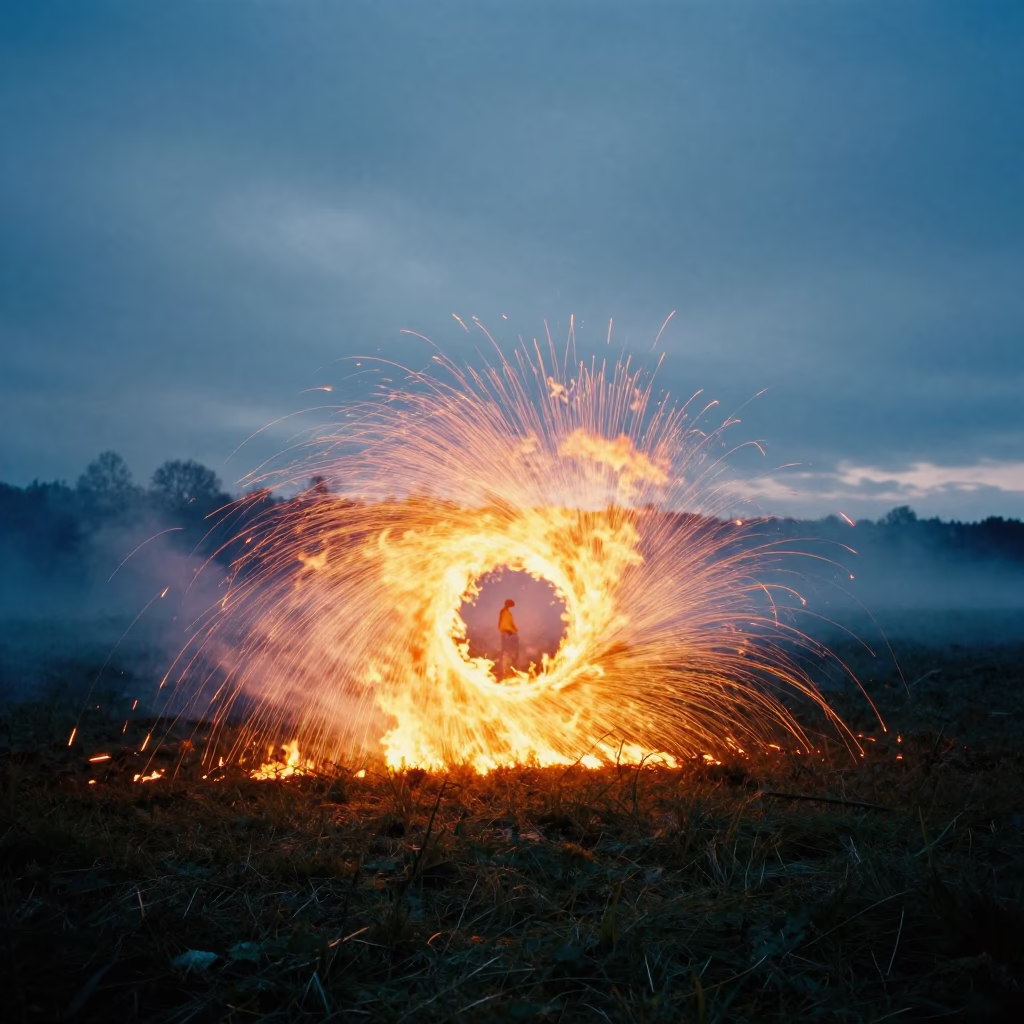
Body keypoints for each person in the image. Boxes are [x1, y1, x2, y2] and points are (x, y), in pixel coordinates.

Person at [497, 598, 519, 678]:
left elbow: (510, 623)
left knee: (510, 653)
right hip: (507, 633)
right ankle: (505, 672)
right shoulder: (504, 612)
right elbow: (504, 624)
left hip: (509, 633)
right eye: (510, 604)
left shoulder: (507, 613)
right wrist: (510, 630)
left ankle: (509, 671)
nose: (511, 606)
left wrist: (514, 629)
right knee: (506, 653)